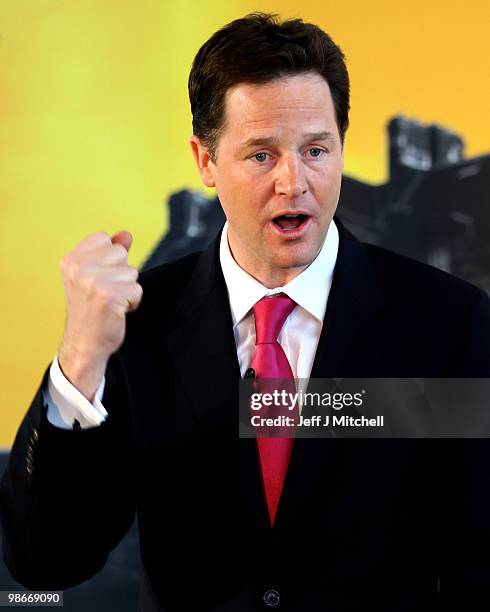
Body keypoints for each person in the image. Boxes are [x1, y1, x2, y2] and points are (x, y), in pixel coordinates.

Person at [2, 12, 490, 612]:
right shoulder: (138, 326)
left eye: (316, 149)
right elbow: (45, 559)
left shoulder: (449, 323)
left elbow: (480, 563)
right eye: (261, 156)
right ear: (205, 162)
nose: (294, 182)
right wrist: (79, 358)